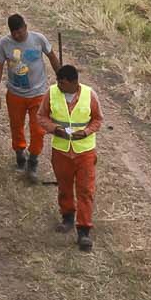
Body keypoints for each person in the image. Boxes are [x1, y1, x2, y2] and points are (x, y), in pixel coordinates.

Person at [45, 63, 105, 251]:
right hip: (61, 151)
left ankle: (84, 230)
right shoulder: (51, 93)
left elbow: (98, 119)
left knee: (85, 190)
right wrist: (55, 129)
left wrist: (86, 132)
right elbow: (41, 117)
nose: (58, 86)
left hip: (84, 152)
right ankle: (67, 217)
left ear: (73, 83)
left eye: (61, 83)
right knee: (64, 187)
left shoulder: (90, 95)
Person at [0, 13, 54, 181]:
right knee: (16, 125)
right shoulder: (4, 44)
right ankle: (20, 153)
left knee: (38, 130)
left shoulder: (38, 39)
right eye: (14, 33)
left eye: (20, 31)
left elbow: (52, 57)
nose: (17, 35)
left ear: (26, 27)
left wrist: (62, 80)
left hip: (38, 94)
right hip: (15, 94)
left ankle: (33, 160)